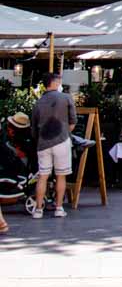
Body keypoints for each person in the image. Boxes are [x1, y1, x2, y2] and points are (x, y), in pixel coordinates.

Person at [30, 72, 76, 219]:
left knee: (42, 176)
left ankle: (38, 209)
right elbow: (73, 122)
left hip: (43, 142)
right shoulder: (66, 98)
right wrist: (64, 133)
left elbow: (33, 127)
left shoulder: (38, 103)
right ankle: (59, 207)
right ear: (55, 83)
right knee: (61, 176)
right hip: (61, 140)